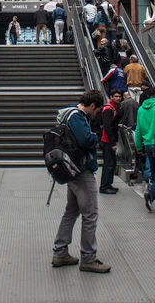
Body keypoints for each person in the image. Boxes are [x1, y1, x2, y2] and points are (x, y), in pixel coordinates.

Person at [52, 90, 111, 274]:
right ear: (92, 105)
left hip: (71, 170)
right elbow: (86, 140)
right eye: (97, 110)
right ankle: (88, 258)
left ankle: (60, 252)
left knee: (71, 210)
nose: (97, 113)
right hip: (81, 172)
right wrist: (96, 136)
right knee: (90, 214)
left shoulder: (67, 112)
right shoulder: (77, 117)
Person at [99, 89, 123, 194]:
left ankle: (108, 184)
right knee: (109, 164)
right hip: (107, 140)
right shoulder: (109, 109)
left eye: (119, 96)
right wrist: (113, 143)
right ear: (111, 96)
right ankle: (104, 186)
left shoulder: (114, 108)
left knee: (112, 163)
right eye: (116, 96)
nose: (118, 98)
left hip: (109, 139)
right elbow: (107, 127)